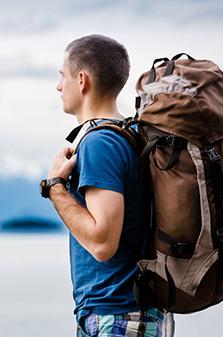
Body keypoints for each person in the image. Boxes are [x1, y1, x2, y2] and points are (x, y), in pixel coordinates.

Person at [41, 34, 175, 337]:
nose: (59, 86)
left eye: (62, 76)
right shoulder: (132, 134)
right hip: (137, 315)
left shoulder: (100, 143)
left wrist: (55, 187)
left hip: (117, 318)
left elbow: (103, 243)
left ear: (82, 80)